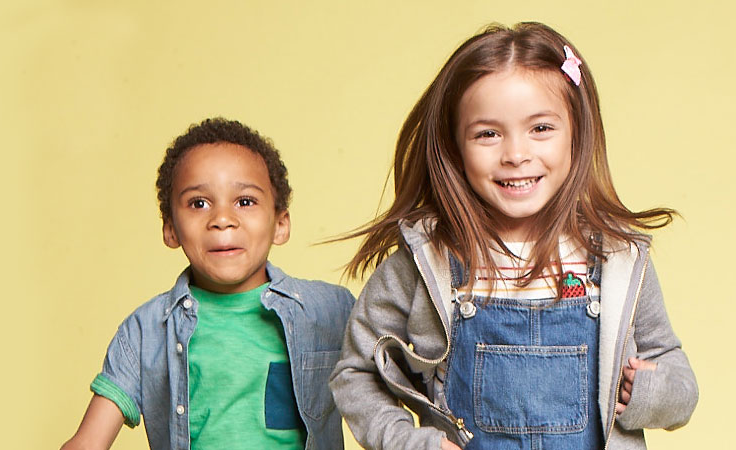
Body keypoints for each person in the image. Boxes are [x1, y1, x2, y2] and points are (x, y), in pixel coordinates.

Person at [329, 22, 698, 450]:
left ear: (577, 134)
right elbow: (355, 372)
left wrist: (651, 393)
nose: (516, 155)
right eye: (487, 134)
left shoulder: (616, 259)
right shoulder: (427, 259)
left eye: (540, 128)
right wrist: (409, 442)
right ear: (454, 146)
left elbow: (679, 381)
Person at [61, 118, 355, 450]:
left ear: (280, 224)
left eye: (245, 201)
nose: (222, 219)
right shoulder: (146, 332)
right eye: (199, 203)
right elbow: (87, 443)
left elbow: (401, 391)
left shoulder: (331, 312)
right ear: (171, 229)